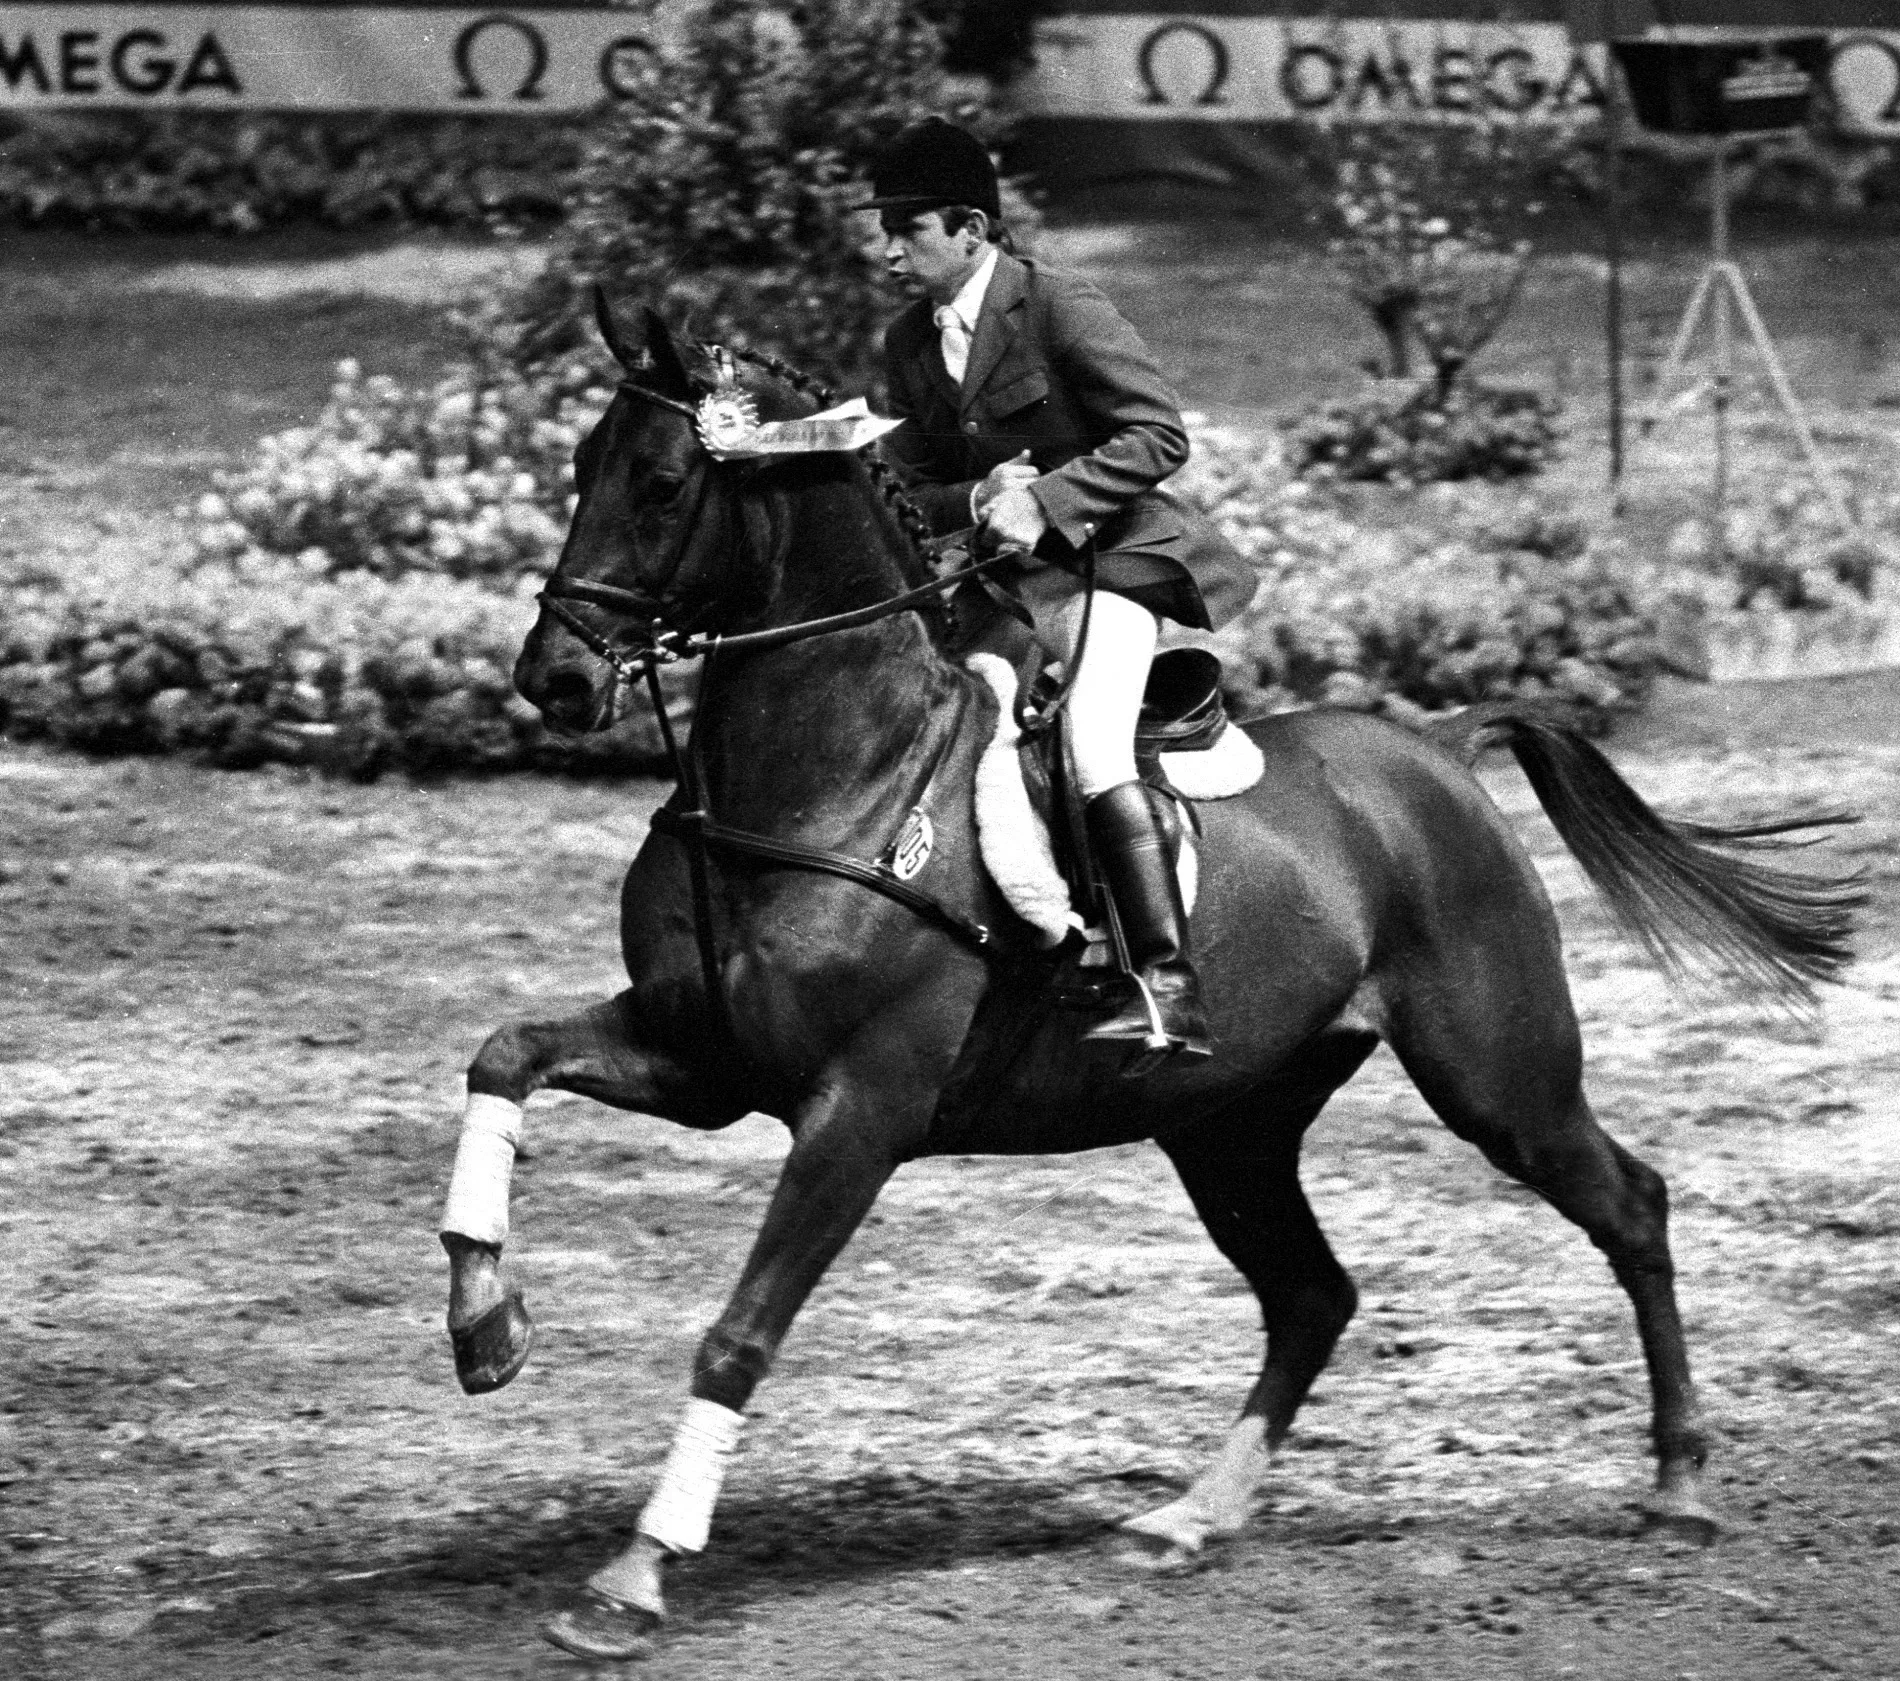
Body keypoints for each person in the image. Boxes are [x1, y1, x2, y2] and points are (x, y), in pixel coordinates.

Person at [858, 117, 1256, 1065]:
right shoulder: (910, 340)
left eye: (907, 231)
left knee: (1088, 743)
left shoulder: (1060, 305)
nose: (889, 250)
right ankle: (1023, 949)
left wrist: (1045, 498)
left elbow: (1159, 435)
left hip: (1110, 560)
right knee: (940, 732)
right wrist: (977, 495)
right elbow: (906, 484)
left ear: (969, 229)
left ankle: (1166, 982)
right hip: (1007, 584)